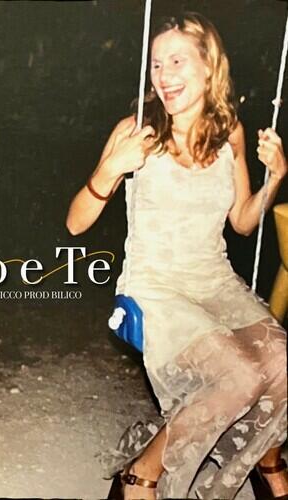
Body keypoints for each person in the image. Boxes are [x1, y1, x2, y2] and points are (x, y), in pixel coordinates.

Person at [67, 12, 287, 500]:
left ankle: (263, 460)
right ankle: (141, 475)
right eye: (156, 64)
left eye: (177, 61)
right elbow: (75, 223)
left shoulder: (230, 132)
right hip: (155, 287)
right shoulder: (137, 132)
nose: (164, 76)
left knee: (282, 361)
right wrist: (109, 170)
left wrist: (274, 178)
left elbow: (242, 222)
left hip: (213, 281)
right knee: (237, 375)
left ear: (209, 67)